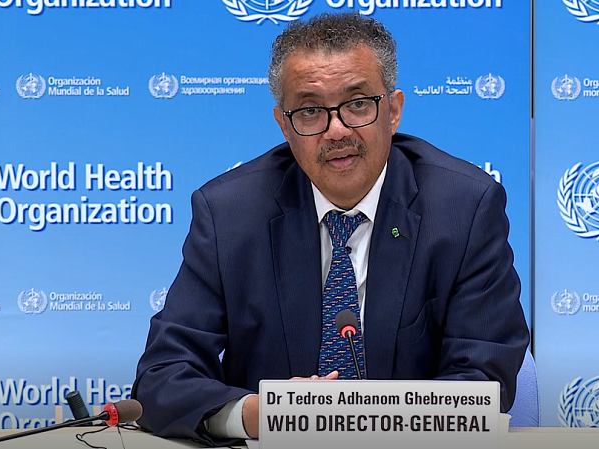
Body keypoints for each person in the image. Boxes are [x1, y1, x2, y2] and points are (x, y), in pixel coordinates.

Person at [133, 12, 529, 447]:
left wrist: (355, 420)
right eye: (310, 111)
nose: (337, 131)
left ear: (393, 111)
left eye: (358, 104)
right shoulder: (229, 214)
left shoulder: (464, 208)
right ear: (285, 125)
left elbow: (483, 379)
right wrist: (258, 415)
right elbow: (162, 376)